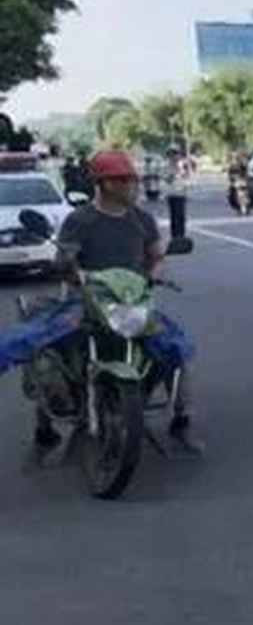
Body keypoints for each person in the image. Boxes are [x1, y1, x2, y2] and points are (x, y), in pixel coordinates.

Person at [40, 148, 198, 453]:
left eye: (133, 180)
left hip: (133, 303)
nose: (134, 186)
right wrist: (68, 267)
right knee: (50, 350)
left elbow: (156, 256)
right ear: (106, 184)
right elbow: (64, 261)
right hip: (88, 301)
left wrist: (155, 273)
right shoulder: (79, 220)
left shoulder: (142, 219)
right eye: (126, 181)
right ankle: (45, 422)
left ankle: (182, 421)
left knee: (177, 351)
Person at [165, 150, 191, 242]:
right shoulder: (167, 166)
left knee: (181, 216)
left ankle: (182, 235)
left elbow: (186, 177)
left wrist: (185, 178)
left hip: (181, 194)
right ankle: (175, 236)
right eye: (173, 156)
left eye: (176, 155)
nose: (175, 157)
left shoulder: (182, 166)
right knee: (174, 216)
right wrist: (174, 172)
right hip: (172, 194)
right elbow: (167, 179)